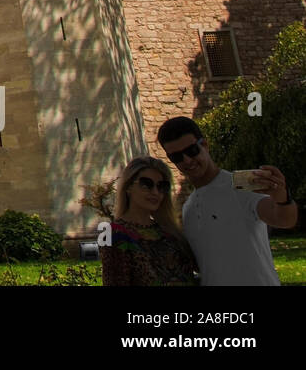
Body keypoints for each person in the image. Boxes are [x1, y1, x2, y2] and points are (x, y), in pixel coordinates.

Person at [158, 116, 297, 285]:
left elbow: (284, 219)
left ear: (205, 145)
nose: (187, 160)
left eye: (192, 150)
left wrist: (282, 197)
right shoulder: (189, 208)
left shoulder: (240, 185)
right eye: (177, 157)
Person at [100, 157, 197, 286]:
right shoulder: (111, 233)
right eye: (146, 184)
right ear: (128, 187)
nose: (155, 192)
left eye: (161, 186)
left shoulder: (169, 232)